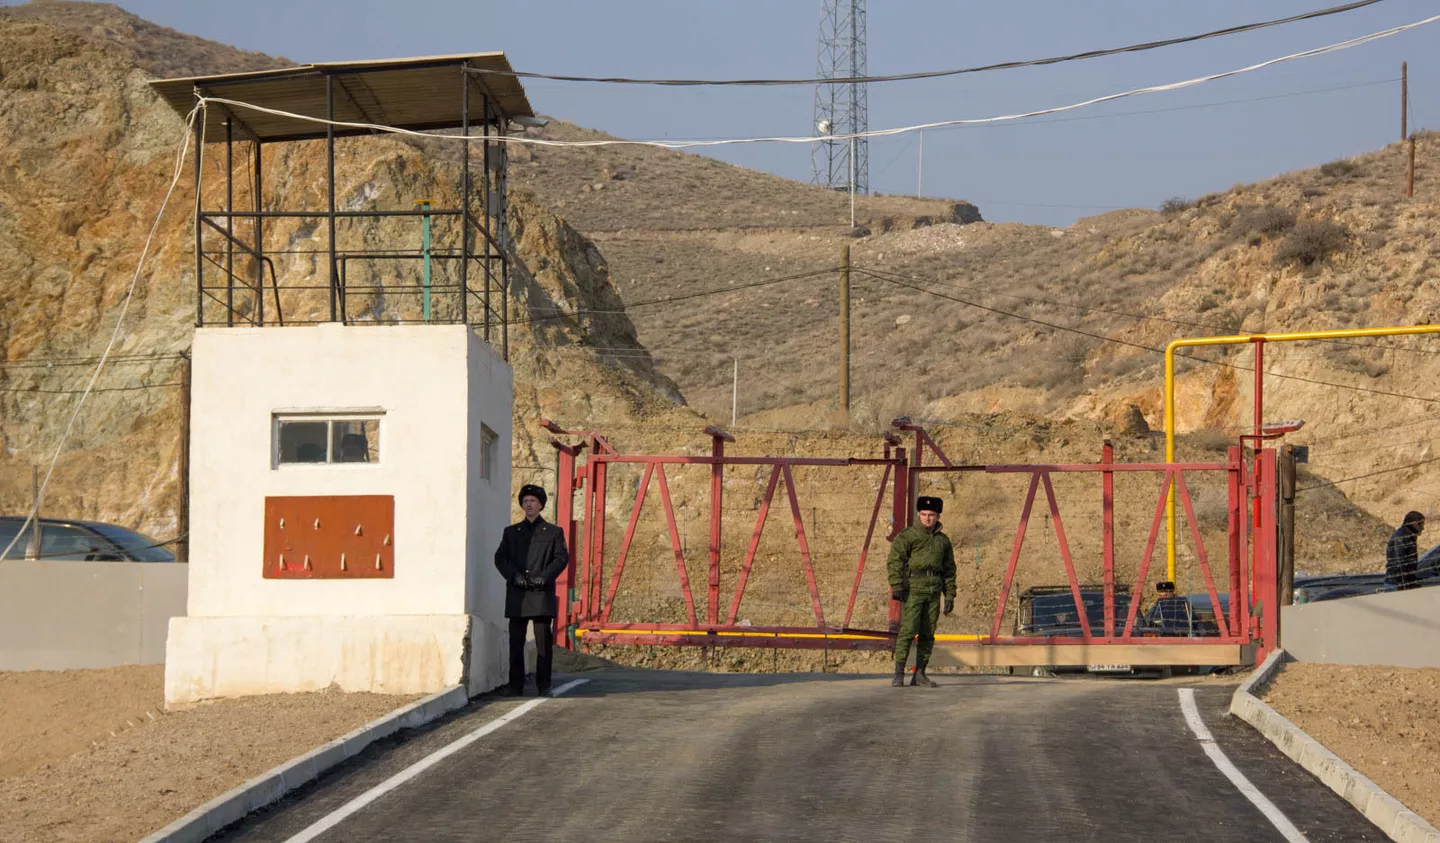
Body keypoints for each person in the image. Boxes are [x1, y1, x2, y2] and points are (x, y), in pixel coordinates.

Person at [494, 484, 569, 696]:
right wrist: (514, 576)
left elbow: (561, 558)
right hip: (518, 594)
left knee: (543, 644)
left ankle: (544, 685)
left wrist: (544, 577)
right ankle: (515, 685)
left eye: (533, 501)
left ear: (541, 505)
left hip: (541, 593)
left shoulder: (554, 532)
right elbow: (500, 558)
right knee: (516, 643)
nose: (529, 505)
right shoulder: (511, 532)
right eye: (525, 501)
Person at [887, 495, 957, 688]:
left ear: (938, 516)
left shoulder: (943, 541)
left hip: (933, 591)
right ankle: (898, 673)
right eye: (924, 514)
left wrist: (950, 594)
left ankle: (920, 674)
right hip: (913, 590)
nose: (927, 518)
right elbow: (895, 561)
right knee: (908, 631)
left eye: (931, 515)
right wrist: (897, 586)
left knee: (928, 633)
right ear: (919, 514)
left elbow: (949, 569)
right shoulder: (908, 536)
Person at [1385, 510, 1425, 591]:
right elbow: (1398, 563)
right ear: (1415, 524)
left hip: (1403, 583)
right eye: (1421, 525)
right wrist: (1403, 584)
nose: (1423, 528)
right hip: (1396, 584)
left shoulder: (1409, 536)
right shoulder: (1400, 537)